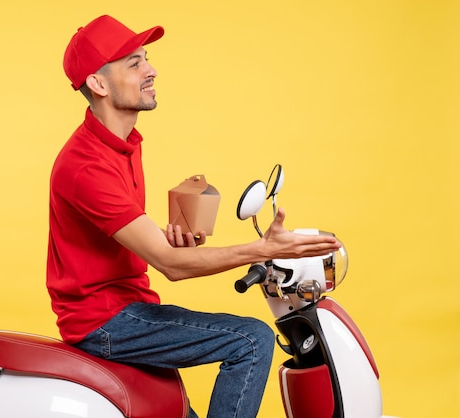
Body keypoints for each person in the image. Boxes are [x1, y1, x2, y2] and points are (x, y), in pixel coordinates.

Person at [47, 15, 340, 418]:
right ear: (98, 84)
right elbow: (171, 266)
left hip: (130, 307)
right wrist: (262, 249)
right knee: (251, 340)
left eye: (146, 58)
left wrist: (167, 241)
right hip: (106, 321)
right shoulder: (86, 166)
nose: (151, 70)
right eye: (134, 63)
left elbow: (135, 243)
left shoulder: (123, 143)